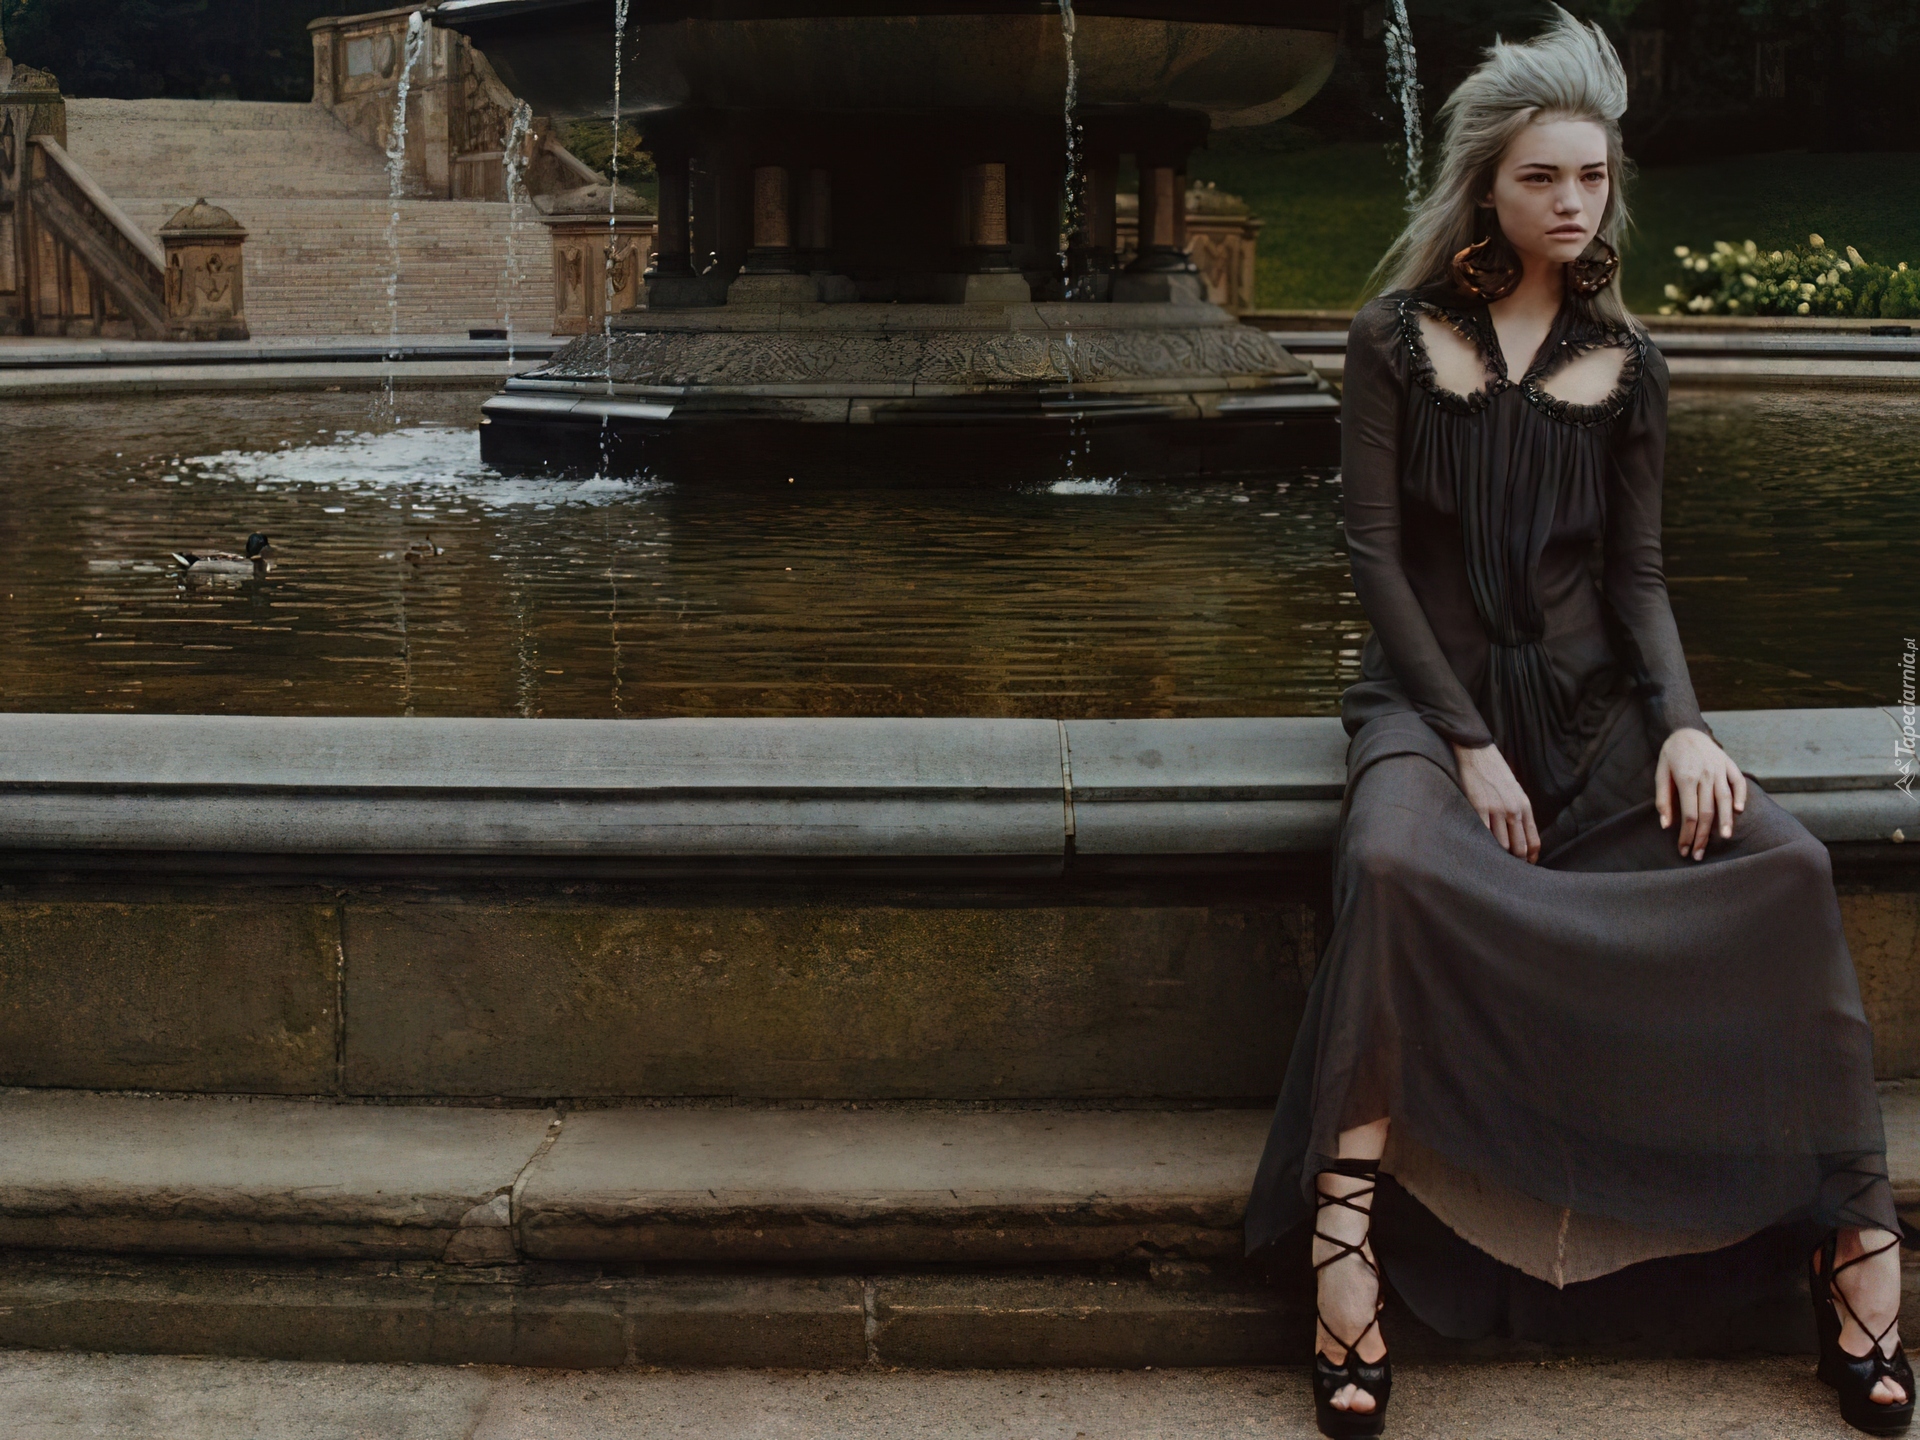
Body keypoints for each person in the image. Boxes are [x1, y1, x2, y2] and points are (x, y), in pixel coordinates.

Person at [1241, 10, 1911, 1438]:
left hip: (1599, 712)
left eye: (1593, 178)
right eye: (1543, 176)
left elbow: (1637, 578)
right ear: (1487, 184)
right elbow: (1372, 559)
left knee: (1787, 866)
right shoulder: (1392, 339)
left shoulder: (1630, 363)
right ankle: (1344, 1241)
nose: (1572, 202)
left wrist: (1685, 727)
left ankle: (1853, 1242)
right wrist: (1467, 743)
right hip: (1430, 710)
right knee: (1395, 865)